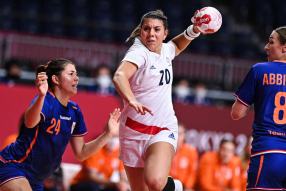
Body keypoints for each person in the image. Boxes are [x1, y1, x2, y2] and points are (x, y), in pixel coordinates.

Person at [113, 9, 208, 191]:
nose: (151, 34)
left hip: (163, 128)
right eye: (147, 29)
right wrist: (131, 100)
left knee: (155, 182)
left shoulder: (164, 50)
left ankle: (176, 187)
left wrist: (194, 30)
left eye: (157, 30)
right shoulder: (139, 53)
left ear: (165, 34)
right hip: (132, 132)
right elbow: (119, 76)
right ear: (140, 31)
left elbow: (177, 47)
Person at [0, 58, 121, 191]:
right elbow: (29, 123)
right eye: (71, 74)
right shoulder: (47, 100)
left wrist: (108, 134)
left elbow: (81, 153)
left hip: (36, 179)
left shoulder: (75, 111)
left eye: (76, 74)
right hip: (14, 165)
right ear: (56, 80)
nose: (76, 78)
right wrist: (41, 95)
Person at [231, 26, 286, 190]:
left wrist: (257, 98)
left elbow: (236, 113)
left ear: (285, 47)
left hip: (269, 151)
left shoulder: (260, 70)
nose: (266, 47)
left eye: (271, 42)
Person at [169, 123, 198, 191]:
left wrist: (188, 187)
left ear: (184, 136)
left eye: (180, 134)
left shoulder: (191, 152)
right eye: (174, 133)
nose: (177, 137)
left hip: (184, 187)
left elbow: (192, 174)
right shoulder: (164, 150)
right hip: (166, 185)